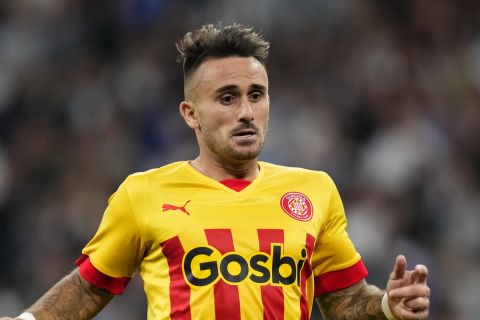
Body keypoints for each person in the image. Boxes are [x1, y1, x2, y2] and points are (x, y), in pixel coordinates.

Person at [1, 23, 430, 320]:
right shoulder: (144, 193)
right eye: (227, 98)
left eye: (255, 95)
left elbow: (344, 300)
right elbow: (90, 287)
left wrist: (389, 306)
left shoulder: (313, 191)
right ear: (191, 114)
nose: (246, 112)